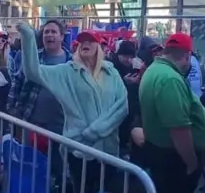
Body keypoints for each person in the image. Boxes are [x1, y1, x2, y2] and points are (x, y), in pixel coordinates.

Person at [16, 22, 128, 156]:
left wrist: (96, 131)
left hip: (108, 150)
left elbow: (122, 107)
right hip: (78, 148)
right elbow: (33, 72)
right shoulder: (69, 71)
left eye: (90, 41)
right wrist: (28, 36)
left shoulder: (111, 72)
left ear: (99, 47)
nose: (85, 44)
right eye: (82, 41)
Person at [138, 33, 205, 193]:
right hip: (175, 160)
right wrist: (191, 162)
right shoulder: (170, 79)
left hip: (163, 155)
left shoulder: (155, 70)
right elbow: (178, 128)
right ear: (187, 56)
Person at [8, 20, 72, 135]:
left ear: (62, 36)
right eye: (46, 32)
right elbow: (17, 81)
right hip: (31, 122)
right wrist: (12, 110)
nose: (49, 35)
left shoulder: (72, 62)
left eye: (53, 32)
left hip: (62, 127)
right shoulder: (32, 57)